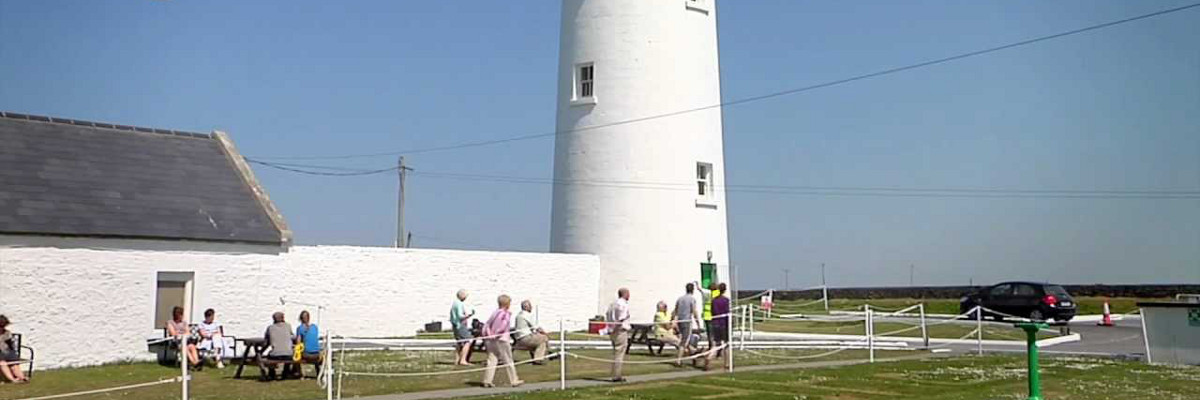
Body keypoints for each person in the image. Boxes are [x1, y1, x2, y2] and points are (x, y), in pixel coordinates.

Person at [481, 294, 523, 388]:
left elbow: (487, 325)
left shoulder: (495, 312)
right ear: (507, 303)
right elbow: (502, 326)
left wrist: (488, 335)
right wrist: (496, 334)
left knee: (492, 359)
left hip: (489, 339)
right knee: (508, 359)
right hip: (501, 339)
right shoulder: (505, 314)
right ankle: (514, 380)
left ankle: (487, 380)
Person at [606, 288, 631, 382]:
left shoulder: (612, 304)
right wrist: (615, 329)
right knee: (619, 353)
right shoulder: (623, 304)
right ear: (625, 294)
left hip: (613, 330)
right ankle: (616, 375)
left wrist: (610, 328)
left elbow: (608, 315)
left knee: (616, 352)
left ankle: (615, 373)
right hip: (620, 330)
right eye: (628, 294)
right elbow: (621, 319)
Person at [704, 283, 732, 371]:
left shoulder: (714, 300)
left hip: (715, 323)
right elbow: (727, 312)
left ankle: (709, 357)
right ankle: (727, 363)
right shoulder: (726, 300)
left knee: (716, 344)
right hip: (723, 324)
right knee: (726, 344)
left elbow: (713, 312)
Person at [512, 300, 549, 365]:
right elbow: (536, 327)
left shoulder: (518, 315)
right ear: (526, 307)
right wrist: (545, 333)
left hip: (519, 339)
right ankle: (538, 360)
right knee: (544, 338)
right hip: (525, 338)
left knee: (538, 340)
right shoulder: (526, 315)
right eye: (530, 306)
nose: (531, 308)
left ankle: (537, 357)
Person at [263, 311, 295, 380]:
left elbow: (266, 340)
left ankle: (271, 373)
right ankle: (286, 372)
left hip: (276, 355)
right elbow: (292, 336)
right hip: (288, 355)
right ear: (283, 318)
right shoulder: (288, 326)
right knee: (290, 353)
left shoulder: (270, 328)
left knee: (269, 355)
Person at [672, 283, 697, 367]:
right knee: (684, 342)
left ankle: (694, 356)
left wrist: (673, 320)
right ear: (692, 290)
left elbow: (675, 310)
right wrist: (697, 321)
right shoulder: (691, 299)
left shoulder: (680, 299)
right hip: (687, 321)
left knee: (686, 340)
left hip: (680, 321)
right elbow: (694, 311)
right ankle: (678, 360)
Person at [450, 289, 476, 366]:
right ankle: (463, 360)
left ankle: (457, 359)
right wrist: (469, 315)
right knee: (467, 341)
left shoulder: (454, 303)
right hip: (460, 325)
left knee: (459, 342)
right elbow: (460, 316)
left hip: (455, 325)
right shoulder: (459, 304)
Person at [0, 315, 28, 383]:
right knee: (2, 363)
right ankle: (12, 379)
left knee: (14, 365)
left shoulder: (7, 333)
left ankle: (22, 377)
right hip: (1, 355)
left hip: (7, 353)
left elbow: (10, 345)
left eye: (3, 326)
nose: (2, 328)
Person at [294, 310, 322, 377]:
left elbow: (298, 343)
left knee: (296, 355)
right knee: (314, 353)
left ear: (301, 319)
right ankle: (318, 372)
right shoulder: (315, 327)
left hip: (307, 354)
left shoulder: (300, 328)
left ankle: (301, 374)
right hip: (317, 354)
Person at [698, 282, 720, 348]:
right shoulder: (719, 293)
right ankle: (718, 348)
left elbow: (701, 290)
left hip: (707, 316)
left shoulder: (708, 293)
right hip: (717, 316)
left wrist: (698, 286)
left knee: (710, 334)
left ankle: (711, 347)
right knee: (717, 333)